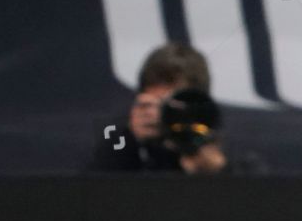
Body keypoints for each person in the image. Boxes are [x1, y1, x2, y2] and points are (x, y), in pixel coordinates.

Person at [88, 42, 244, 173]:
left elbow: (254, 194)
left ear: (198, 102)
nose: (163, 113)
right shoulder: (117, 134)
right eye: (157, 102)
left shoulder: (216, 135)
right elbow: (92, 192)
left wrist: (219, 169)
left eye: (173, 104)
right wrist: (131, 139)